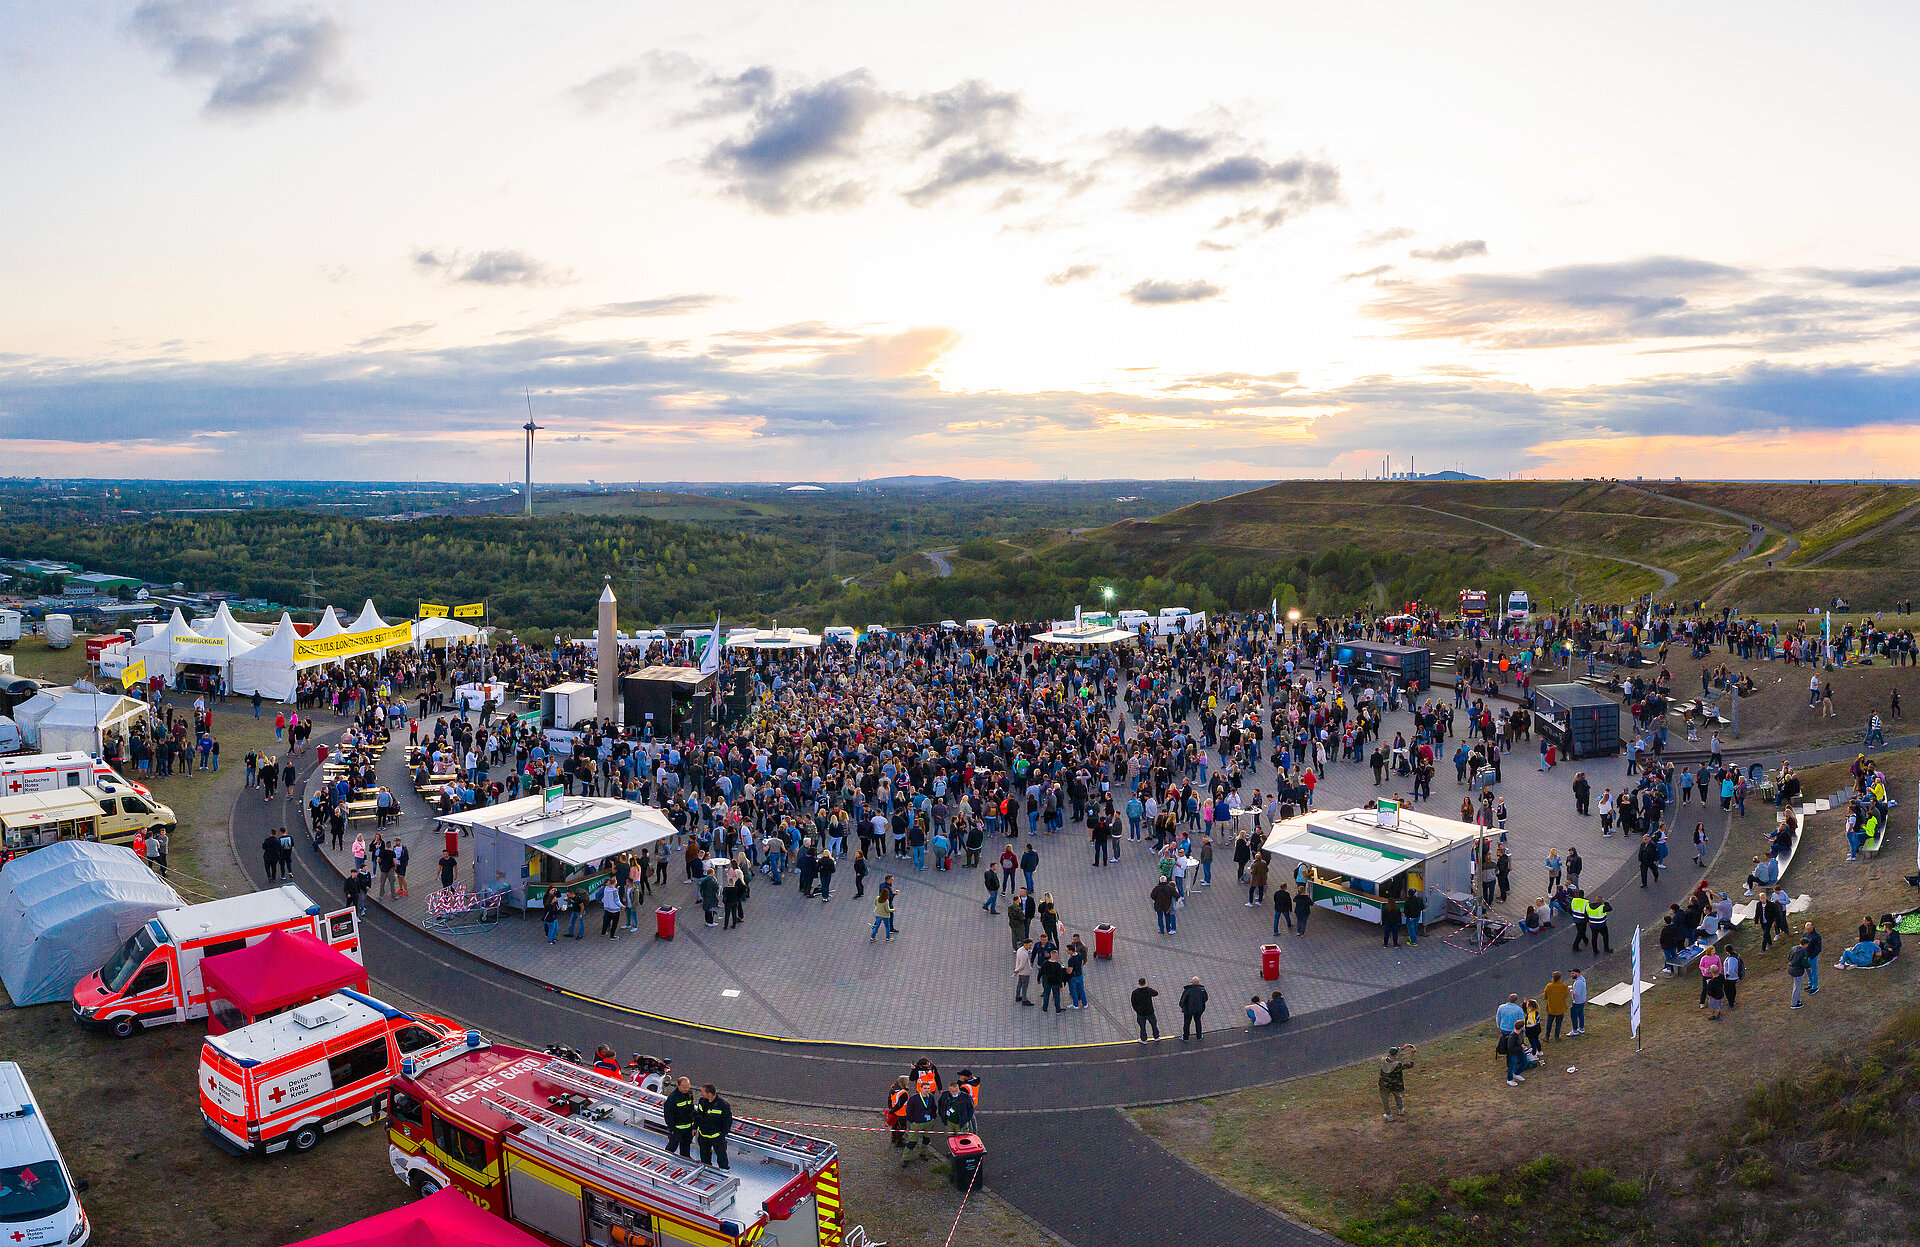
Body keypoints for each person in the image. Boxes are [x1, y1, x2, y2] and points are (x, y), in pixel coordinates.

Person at [694, 1084, 733, 1170]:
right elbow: (698, 1115)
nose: (701, 1093)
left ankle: (724, 1171)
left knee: (721, 1156)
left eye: (703, 1092)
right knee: (704, 1156)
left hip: (716, 1137)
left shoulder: (723, 1105)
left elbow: (727, 1122)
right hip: (703, 1135)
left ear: (709, 1094)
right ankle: (706, 1170)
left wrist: (722, 1135)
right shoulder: (702, 1101)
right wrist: (694, 1127)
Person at [900, 1084, 938, 1165]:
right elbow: (909, 1109)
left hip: (928, 1122)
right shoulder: (914, 1098)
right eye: (925, 1088)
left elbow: (934, 1107)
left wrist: (933, 1117)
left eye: (928, 1088)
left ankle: (922, 1153)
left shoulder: (931, 1096)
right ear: (920, 1089)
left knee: (926, 1139)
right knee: (912, 1141)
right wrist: (911, 1120)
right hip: (917, 1123)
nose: (927, 1090)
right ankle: (906, 1158)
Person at [1378, 1044, 1415, 1120]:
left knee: (1385, 1100)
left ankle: (1389, 1116)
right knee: (1398, 1096)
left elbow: (1392, 1054)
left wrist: (1402, 1048)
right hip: (1395, 1085)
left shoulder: (1382, 1060)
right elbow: (1410, 1065)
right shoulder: (1398, 1065)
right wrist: (1412, 1054)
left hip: (1384, 1085)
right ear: (1396, 1054)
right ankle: (1401, 1110)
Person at [1130, 977, 1161, 1042]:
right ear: (1145, 983)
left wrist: (1137, 1010)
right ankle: (1156, 1037)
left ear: (1138, 983)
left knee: (1142, 1027)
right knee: (1153, 1024)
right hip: (1150, 1012)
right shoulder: (1148, 990)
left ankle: (1143, 1039)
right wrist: (1148, 988)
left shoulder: (1135, 992)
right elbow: (1156, 993)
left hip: (1141, 1013)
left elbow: (1133, 1003)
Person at [1542, 971, 1570, 1041]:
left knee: (1549, 1023)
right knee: (1558, 1023)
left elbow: (1544, 996)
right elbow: (1566, 995)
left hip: (1551, 1009)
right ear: (1560, 978)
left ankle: (1547, 1037)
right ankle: (1556, 1037)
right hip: (1560, 1008)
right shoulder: (1563, 986)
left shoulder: (1549, 986)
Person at [1178, 976, 1208, 1041]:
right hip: (1199, 1010)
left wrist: (1182, 1006)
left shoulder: (1188, 990)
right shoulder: (1202, 990)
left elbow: (1183, 1000)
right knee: (1198, 1021)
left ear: (1191, 982)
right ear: (1198, 983)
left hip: (1188, 1010)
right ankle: (1199, 1036)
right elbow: (1205, 999)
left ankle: (1185, 1037)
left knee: (1187, 1023)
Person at [885, 1077, 911, 1148]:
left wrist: (891, 1109)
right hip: (902, 1113)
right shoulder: (904, 1093)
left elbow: (889, 1098)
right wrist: (893, 1110)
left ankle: (893, 1138)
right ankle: (899, 1141)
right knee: (902, 1128)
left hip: (894, 1111)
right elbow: (900, 1105)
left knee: (895, 1125)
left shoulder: (893, 1088)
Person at [1013, 939, 1034, 1005]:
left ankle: (1018, 996)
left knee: (1019, 984)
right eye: (1029, 945)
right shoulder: (1024, 954)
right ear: (1025, 944)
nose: (1030, 947)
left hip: (1021, 972)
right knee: (1025, 986)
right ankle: (1024, 1000)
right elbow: (1022, 965)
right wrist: (1016, 971)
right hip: (1025, 972)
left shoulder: (1020, 950)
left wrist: (1017, 970)